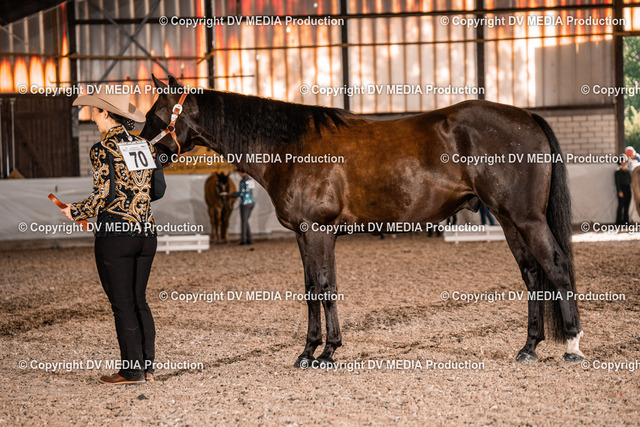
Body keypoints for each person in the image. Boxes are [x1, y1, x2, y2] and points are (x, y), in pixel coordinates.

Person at [61, 91, 160, 384]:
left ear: (106, 114)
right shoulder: (146, 145)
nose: (93, 116)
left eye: (95, 111)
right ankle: (147, 368)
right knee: (139, 300)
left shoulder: (102, 148)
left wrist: (76, 210)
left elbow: (103, 195)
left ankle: (132, 371)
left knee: (122, 303)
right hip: (146, 232)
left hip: (117, 235)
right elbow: (158, 190)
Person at [232, 172, 256, 245]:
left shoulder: (242, 181)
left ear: (241, 173)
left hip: (245, 204)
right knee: (246, 221)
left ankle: (243, 240)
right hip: (252, 202)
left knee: (244, 221)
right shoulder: (250, 180)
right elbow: (251, 191)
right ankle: (249, 239)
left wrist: (233, 194)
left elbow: (242, 193)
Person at [615, 159, 632, 225]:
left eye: (625, 161)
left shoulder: (628, 171)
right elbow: (617, 182)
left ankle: (626, 221)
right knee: (620, 206)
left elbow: (630, 180)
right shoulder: (618, 171)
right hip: (622, 189)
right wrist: (619, 191)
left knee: (626, 206)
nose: (624, 163)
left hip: (628, 188)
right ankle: (618, 222)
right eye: (622, 161)